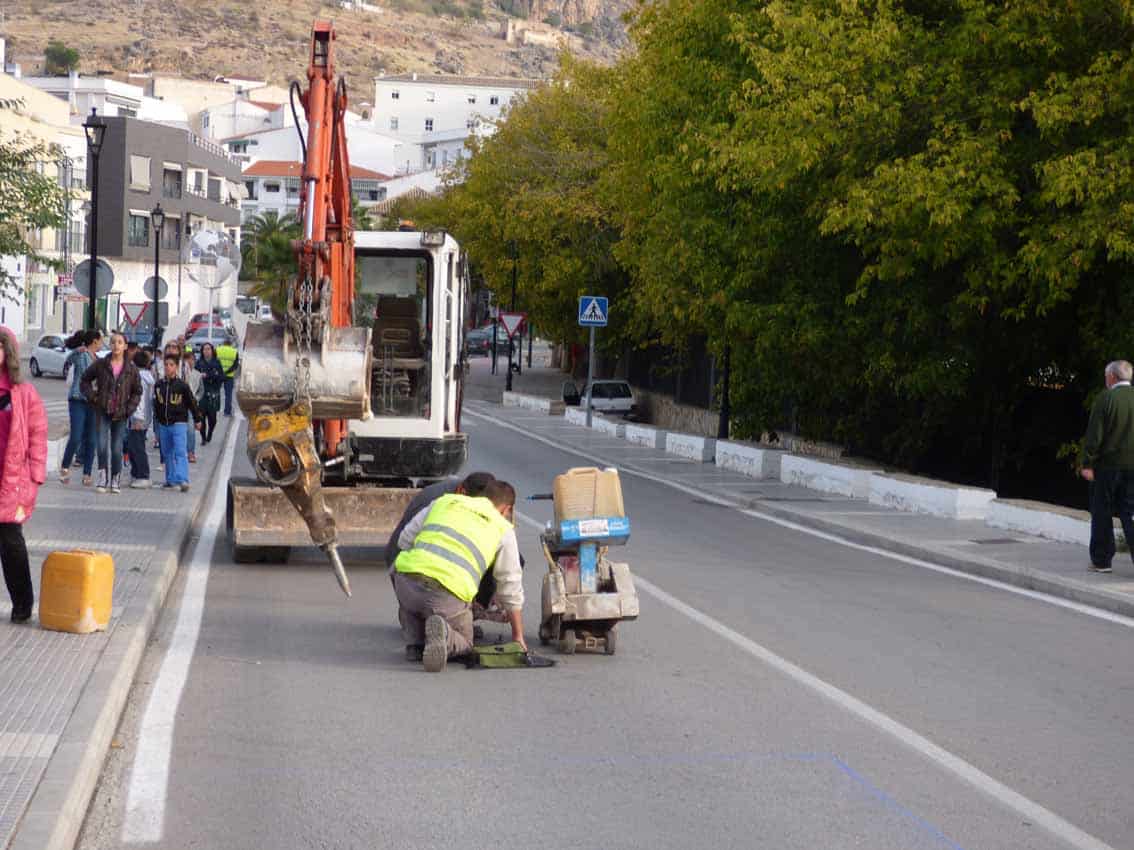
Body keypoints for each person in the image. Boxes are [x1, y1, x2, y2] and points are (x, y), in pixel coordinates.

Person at [393, 480, 524, 672]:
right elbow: (510, 585)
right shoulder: (502, 527)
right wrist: (517, 636)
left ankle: (415, 644)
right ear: (506, 510)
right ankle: (445, 636)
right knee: (466, 642)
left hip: (406, 584)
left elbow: (404, 540)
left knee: (412, 603)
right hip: (445, 595)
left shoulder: (443, 502)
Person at [0, 326, 47, 623]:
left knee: (11, 542)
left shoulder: (24, 393)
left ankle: (22, 604)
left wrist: (36, 476)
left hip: (13, 478)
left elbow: (38, 434)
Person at [1080, 360, 1134, 572]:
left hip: (1109, 466)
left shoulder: (1106, 399)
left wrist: (1087, 463)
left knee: (1102, 510)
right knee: (1130, 513)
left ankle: (1102, 561)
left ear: (1112, 377)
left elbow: (1095, 435)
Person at [80, 331, 141, 494]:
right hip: (102, 410)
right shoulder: (101, 364)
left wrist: (130, 408)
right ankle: (102, 476)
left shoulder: (131, 368)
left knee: (116, 448)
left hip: (121, 413)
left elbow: (137, 391)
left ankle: (115, 478)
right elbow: (84, 380)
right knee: (101, 445)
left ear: (125, 346)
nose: (116, 345)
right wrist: (93, 397)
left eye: (120, 342)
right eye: (113, 342)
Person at [153, 355, 202, 492]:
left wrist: (197, 419)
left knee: (180, 450)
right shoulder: (159, 385)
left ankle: (183, 479)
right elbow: (156, 405)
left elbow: (192, 402)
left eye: (171, 365)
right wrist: (157, 424)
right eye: (166, 364)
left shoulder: (182, 386)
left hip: (179, 423)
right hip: (164, 424)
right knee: (167, 452)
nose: (168, 367)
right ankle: (171, 480)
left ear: (176, 367)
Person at [59, 330, 101, 486]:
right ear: (95, 341)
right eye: (100, 340)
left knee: (91, 439)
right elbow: (69, 359)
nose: (101, 343)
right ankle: (64, 467)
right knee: (76, 436)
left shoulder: (99, 360)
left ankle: (87, 473)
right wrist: (77, 350)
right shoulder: (82, 354)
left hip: (93, 402)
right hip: (77, 399)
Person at [127, 350, 155, 489]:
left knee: (136, 447)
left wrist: (137, 419)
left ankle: (143, 475)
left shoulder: (139, 378)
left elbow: (139, 400)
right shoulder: (148, 377)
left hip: (138, 418)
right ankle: (136, 473)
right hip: (144, 417)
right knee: (135, 446)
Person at [196, 342, 224, 444]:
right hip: (202, 393)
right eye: (204, 349)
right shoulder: (199, 363)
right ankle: (203, 438)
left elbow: (221, 377)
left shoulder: (217, 362)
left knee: (213, 419)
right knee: (201, 417)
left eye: (208, 349)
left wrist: (208, 375)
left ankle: (210, 432)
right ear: (202, 351)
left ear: (212, 350)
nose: (206, 351)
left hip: (213, 393)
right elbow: (194, 376)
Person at [181, 350, 202, 462]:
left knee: (190, 430)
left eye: (192, 359)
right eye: (187, 359)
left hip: (191, 405)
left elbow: (201, 391)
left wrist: (196, 398)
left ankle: (191, 452)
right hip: (179, 404)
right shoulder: (180, 373)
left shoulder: (197, 374)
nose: (190, 362)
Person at [217, 337, 239, 416]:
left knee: (216, 392)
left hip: (219, 375)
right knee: (228, 395)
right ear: (230, 344)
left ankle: (215, 409)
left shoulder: (218, 350)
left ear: (223, 343)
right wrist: (227, 372)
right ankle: (227, 412)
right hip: (229, 376)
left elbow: (215, 361)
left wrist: (220, 371)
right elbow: (235, 365)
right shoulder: (234, 351)